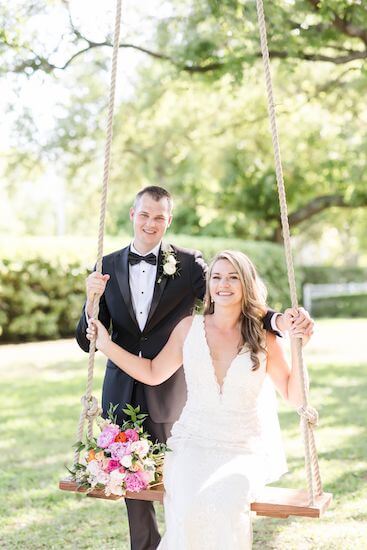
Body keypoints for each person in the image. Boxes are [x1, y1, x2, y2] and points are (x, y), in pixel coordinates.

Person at [76, 185, 313, 550]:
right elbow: (100, 342)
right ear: (132, 215)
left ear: (168, 220)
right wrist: (92, 307)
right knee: (163, 501)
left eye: (159, 217)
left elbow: (289, 385)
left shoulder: (190, 268)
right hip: (159, 418)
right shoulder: (109, 271)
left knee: (217, 499)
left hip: (216, 428)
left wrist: (286, 330)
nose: (222, 284)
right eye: (145, 214)